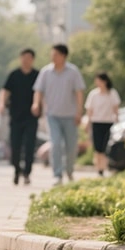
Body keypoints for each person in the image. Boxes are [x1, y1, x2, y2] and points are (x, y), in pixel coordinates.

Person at [31, 44, 85, 186]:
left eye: (55, 55)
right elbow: (38, 90)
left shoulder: (73, 72)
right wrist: (36, 104)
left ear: (63, 56)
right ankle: (57, 174)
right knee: (55, 144)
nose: (52, 57)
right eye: (52, 54)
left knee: (71, 146)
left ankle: (69, 170)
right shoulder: (46, 72)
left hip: (70, 116)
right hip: (52, 115)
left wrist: (79, 112)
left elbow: (79, 93)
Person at [0, 48, 39, 185]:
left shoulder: (37, 75)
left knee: (29, 145)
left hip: (31, 117)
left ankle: (27, 172)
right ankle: (17, 169)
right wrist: (1, 104)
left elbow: (42, 93)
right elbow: (4, 91)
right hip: (15, 116)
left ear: (32, 59)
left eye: (28, 58)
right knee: (15, 145)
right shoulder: (14, 75)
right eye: (23, 57)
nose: (25, 60)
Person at [84, 72, 120, 177]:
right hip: (96, 122)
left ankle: (103, 167)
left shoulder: (112, 93)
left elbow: (115, 108)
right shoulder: (93, 94)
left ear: (105, 81)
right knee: (97, 146)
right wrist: (88, 123)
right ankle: (99, 168)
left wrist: (117, 120)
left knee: (105, 146)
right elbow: (90, 110)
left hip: (108, 123)